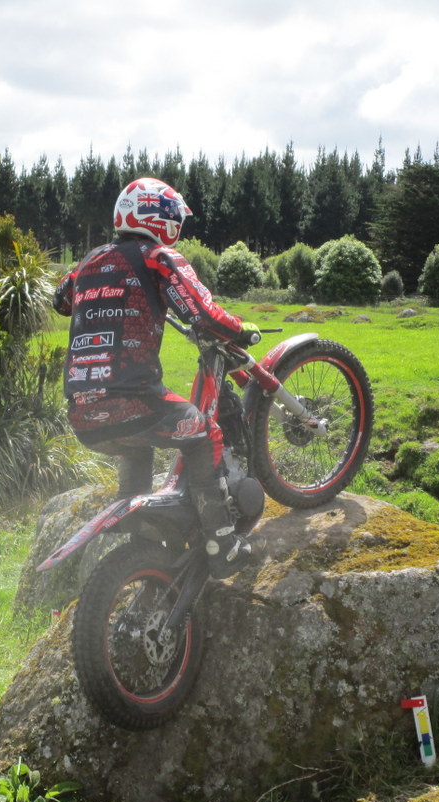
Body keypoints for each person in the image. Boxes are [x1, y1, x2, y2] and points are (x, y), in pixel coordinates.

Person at [53, 177, 261, 578]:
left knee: (135, 447)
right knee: (206, 436)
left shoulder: (87, 263)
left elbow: (60, 301)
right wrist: (239, 329)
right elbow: (202, 312)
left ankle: (141, 537)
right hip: (136, 402)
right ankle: (222, 545)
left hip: (82, 414)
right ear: (159, 219)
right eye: (174, 217)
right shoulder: (158, 257)